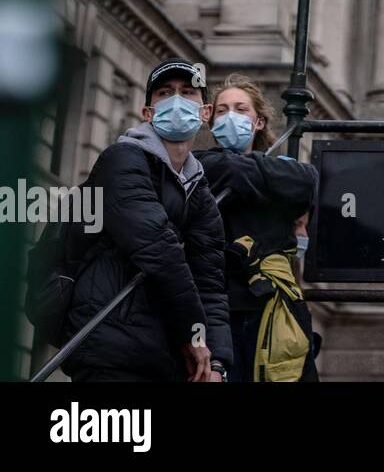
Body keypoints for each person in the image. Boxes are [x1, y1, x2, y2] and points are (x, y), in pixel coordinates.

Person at [53, 59, 232, 381]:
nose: (176, 100)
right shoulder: (122, 159)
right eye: (165, 92)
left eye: (187, 92)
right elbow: (158, 249)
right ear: (147, 113)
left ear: (205, 113)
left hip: (164, 353)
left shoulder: (198, 190)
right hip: (110, 342)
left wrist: (217, 361)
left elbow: (211, 283)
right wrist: (194, 337)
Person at [195, 73, 319, 382]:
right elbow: (219, 167)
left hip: (270, 310)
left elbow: (307, 180)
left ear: (259, 122)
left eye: (240, 109)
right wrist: (266, 177)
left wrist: (247, 171)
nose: (230, 117)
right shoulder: (201, 165)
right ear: (210, 121)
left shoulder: (287, 171)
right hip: (219, 311)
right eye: (222, 111)